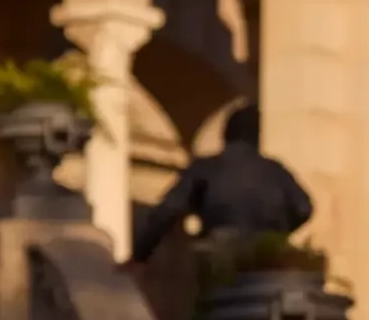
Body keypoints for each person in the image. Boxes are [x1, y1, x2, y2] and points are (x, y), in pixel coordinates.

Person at [131, 103, 313, 267]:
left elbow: (167, 210)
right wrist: (277, 234)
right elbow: (304, 208)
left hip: (220, 255)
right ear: (257, 137)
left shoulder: (206, 168)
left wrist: (140, 255)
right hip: (267, 259)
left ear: (225, 135)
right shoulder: (274, 170)